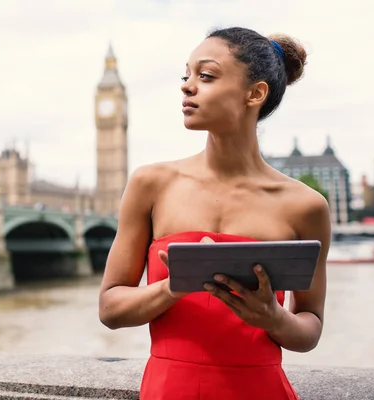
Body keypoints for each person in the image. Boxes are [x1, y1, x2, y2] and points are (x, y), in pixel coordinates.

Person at [98, 26, 331, 400]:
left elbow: (310, 328)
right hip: (167, 389)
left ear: (255, 93)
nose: (187, 86)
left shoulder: (306, 206)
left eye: (205, 76)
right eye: (186, 75)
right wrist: (172, 287)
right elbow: (110, 309)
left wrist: (274, 318)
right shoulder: (151, 184)